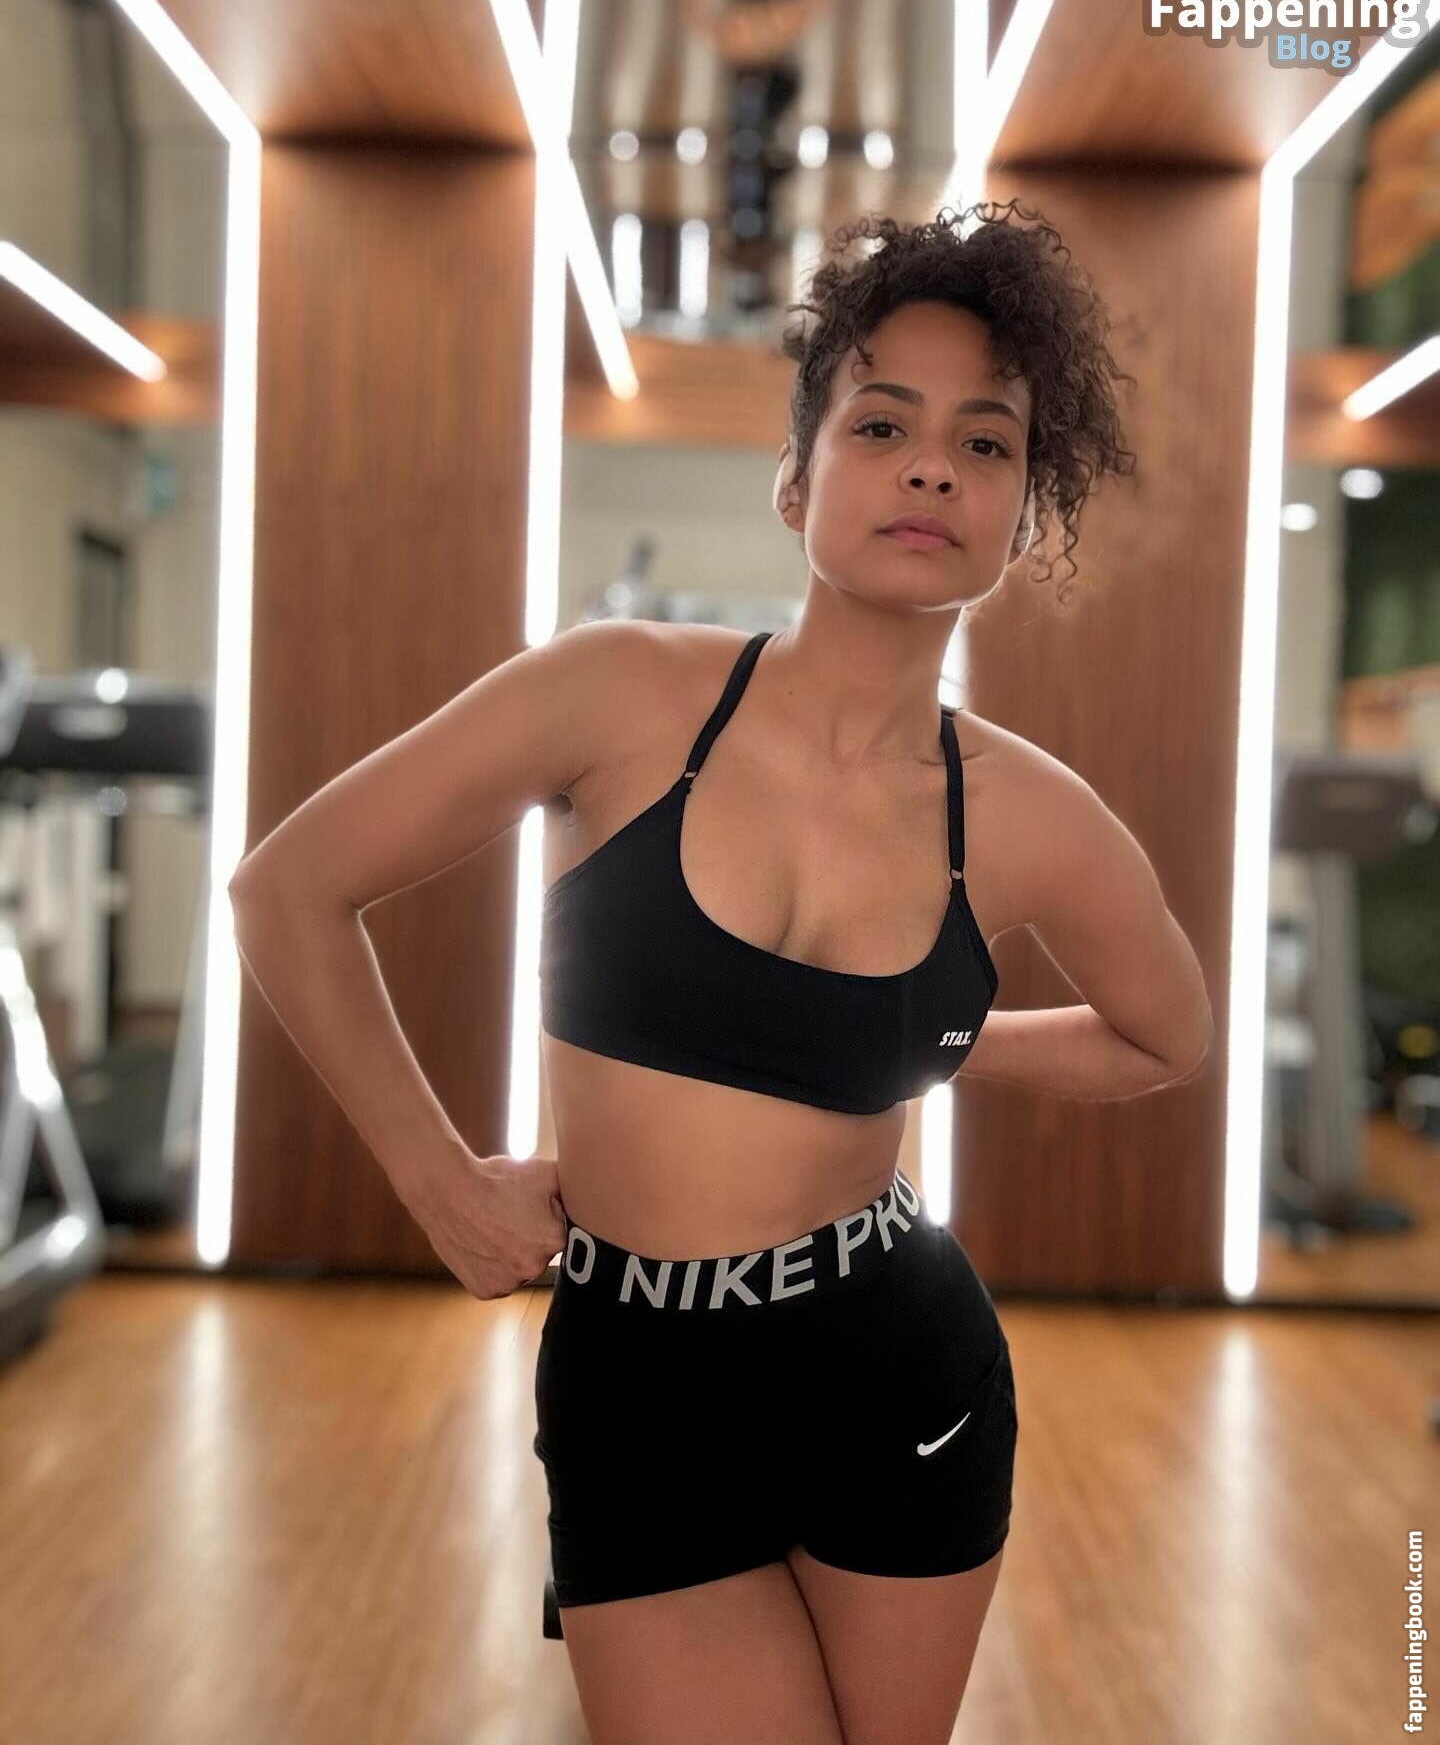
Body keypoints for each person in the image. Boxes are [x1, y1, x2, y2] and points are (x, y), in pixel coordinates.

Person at [229, 200, 1213, 1745]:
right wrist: (437, 1183)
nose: (933, 469)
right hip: (633, 1378)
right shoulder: (615, 695)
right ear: (795, 479)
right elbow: (288, 889)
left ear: (1022, 515)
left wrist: (938, 1036)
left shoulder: (1034, 818)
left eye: (987, 444)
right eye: (882, 423)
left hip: (897, 1371)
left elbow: (1168, 1036)